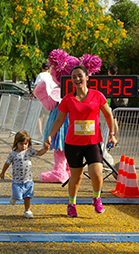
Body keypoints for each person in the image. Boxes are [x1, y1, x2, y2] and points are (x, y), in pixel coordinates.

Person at [44, 65, 117, 217]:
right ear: (71, 81)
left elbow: (109, 115)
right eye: (74, 77)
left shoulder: (97, 96)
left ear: (87, 78)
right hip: (73, 144)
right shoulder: (68, 99)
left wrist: (112, 134)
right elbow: (59, 120)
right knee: (76, 177)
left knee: (97, 174)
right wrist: (50, 136)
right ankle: (72, 204)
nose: (77, 79)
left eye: (80, 76)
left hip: (93, 142)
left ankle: (96, 198)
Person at [0, 130, 47, 218]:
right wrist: (3, 172)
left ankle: (27, 210)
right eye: (21, 144)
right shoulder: (13, 154)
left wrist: (45, 149)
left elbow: (39, 153)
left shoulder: (29, 151)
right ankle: (14, 196)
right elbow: (7, 163)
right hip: (17, 181)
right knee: (18, 196)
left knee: (27, 196)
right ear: (16, 143)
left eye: (26, 144)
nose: (23, 146)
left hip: (28, 180)